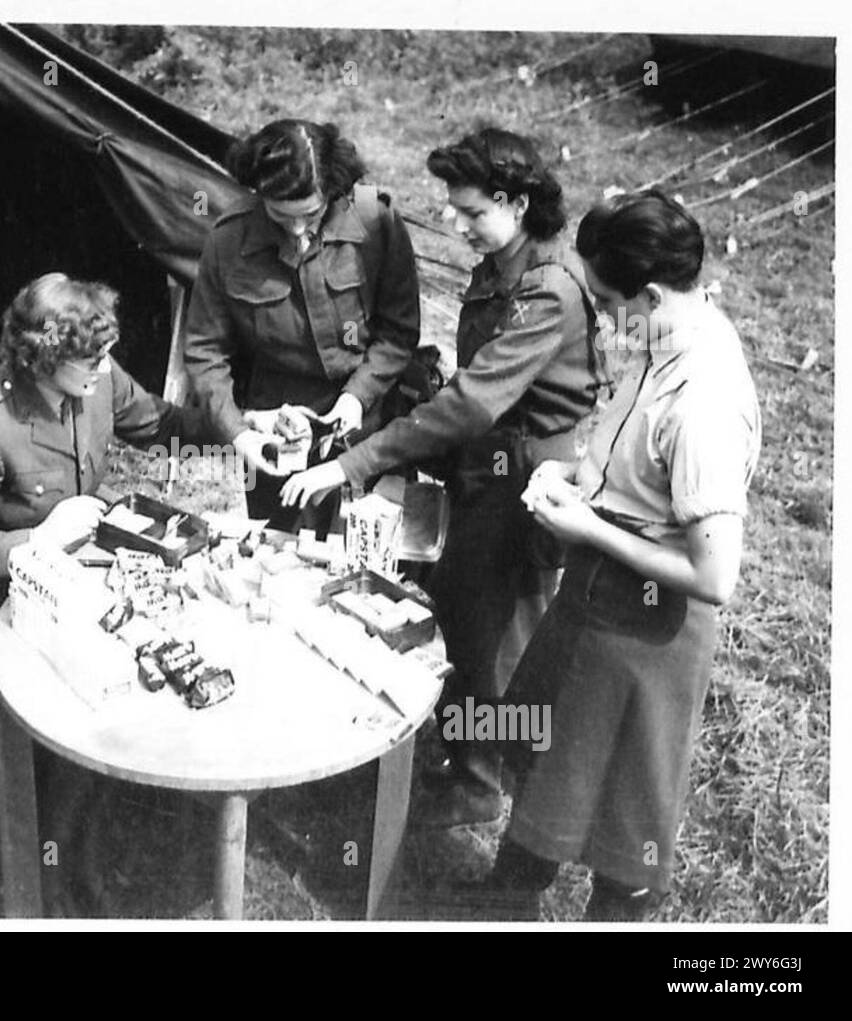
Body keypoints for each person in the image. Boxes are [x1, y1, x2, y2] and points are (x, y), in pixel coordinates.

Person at [281, 128, 606, 826]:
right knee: (460, 610)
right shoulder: (509, 260)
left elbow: (472, 399)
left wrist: (356, 460)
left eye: (470, 212)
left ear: (516, 203)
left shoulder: (546, 288)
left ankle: (487, 783)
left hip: (526, 480)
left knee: (495, 640)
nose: (455, 226)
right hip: (491, 460)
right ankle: (468, 759)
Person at [478, 191, 760, 920]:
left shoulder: (704, 399)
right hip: (596, 595)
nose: (598, 315)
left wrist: (588, 529)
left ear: (655, 294)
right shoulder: (661, 332)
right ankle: (504, 900)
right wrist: (573, 473)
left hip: (650, 626)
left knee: (626, 814)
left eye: (605, 301)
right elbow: (628, 446)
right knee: (553, 766)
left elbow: (715, 575)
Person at [0, 272, 202, 914]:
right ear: (43, 356)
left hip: (77, 586)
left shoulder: (93, 374)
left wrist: (244, 433)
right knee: (84, 708)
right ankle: (56, 871)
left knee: (150, 661)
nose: (103, 370)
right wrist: (37, 539)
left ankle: (83, 845)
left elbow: (158, 422)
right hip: (0, 604)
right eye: (89, 360)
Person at [183, 118, 421, 532]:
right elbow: (206, 352)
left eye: (309, 214)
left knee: (363, 557)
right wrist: (239, 434)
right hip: (277, 427)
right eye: (280, 215)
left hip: (367, 417)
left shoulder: (375, 221)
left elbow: (398, 332)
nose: (296, 230)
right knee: (282, 560)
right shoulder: (229, 241)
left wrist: (356, 399)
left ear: (333, 191)